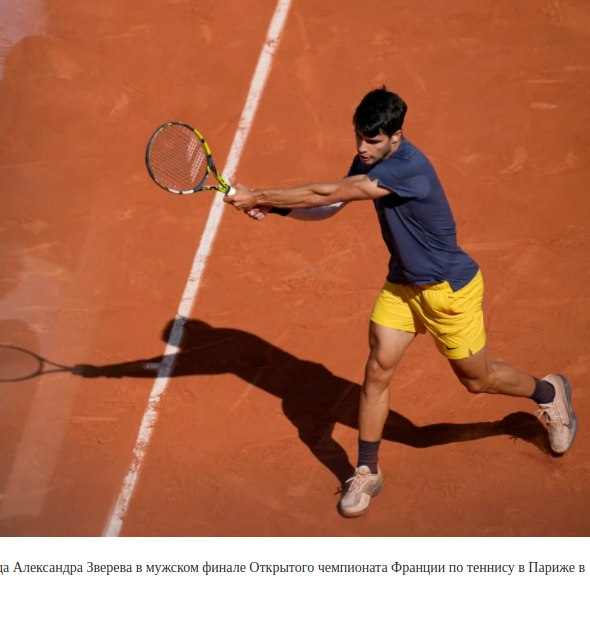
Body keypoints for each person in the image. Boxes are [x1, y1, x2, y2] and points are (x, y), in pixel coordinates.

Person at [223, 86, 577, 518]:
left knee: (478, 381)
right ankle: (367, 470)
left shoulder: (411, 168)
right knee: (377, 370)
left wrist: (260, 195)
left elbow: (324, 192)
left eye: (371, 141)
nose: (361, 148)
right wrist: (276, 209)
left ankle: (548, 391)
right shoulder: (372, 158)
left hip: (449, 291)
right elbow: (331, 203)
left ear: (397, 135)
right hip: (402, 286)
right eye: (358, 137)